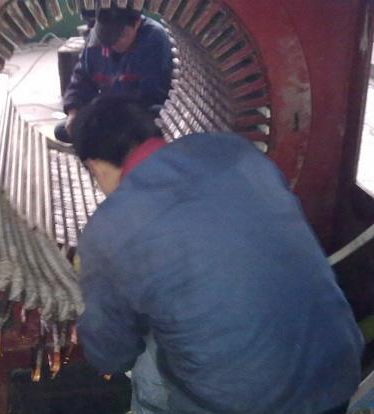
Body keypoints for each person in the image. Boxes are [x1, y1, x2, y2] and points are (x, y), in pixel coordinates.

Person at [70, 95, 364, 414]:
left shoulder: (109, 229)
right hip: (337, 373)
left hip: (244, 404)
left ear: (94, 165)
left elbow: (111, 355)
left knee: (149, 373)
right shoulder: (234, 150)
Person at [54, 5, 173, 143]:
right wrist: (73, 112)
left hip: (139, 113)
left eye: (122, 36)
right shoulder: (95, 39)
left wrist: (110, 116)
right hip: (110, 114)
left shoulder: (154, 39)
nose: (114, 43)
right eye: (106, 38)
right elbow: (82, 79)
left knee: (154, 122)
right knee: (63, 130)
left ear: (137, 23)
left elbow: (152, 96)